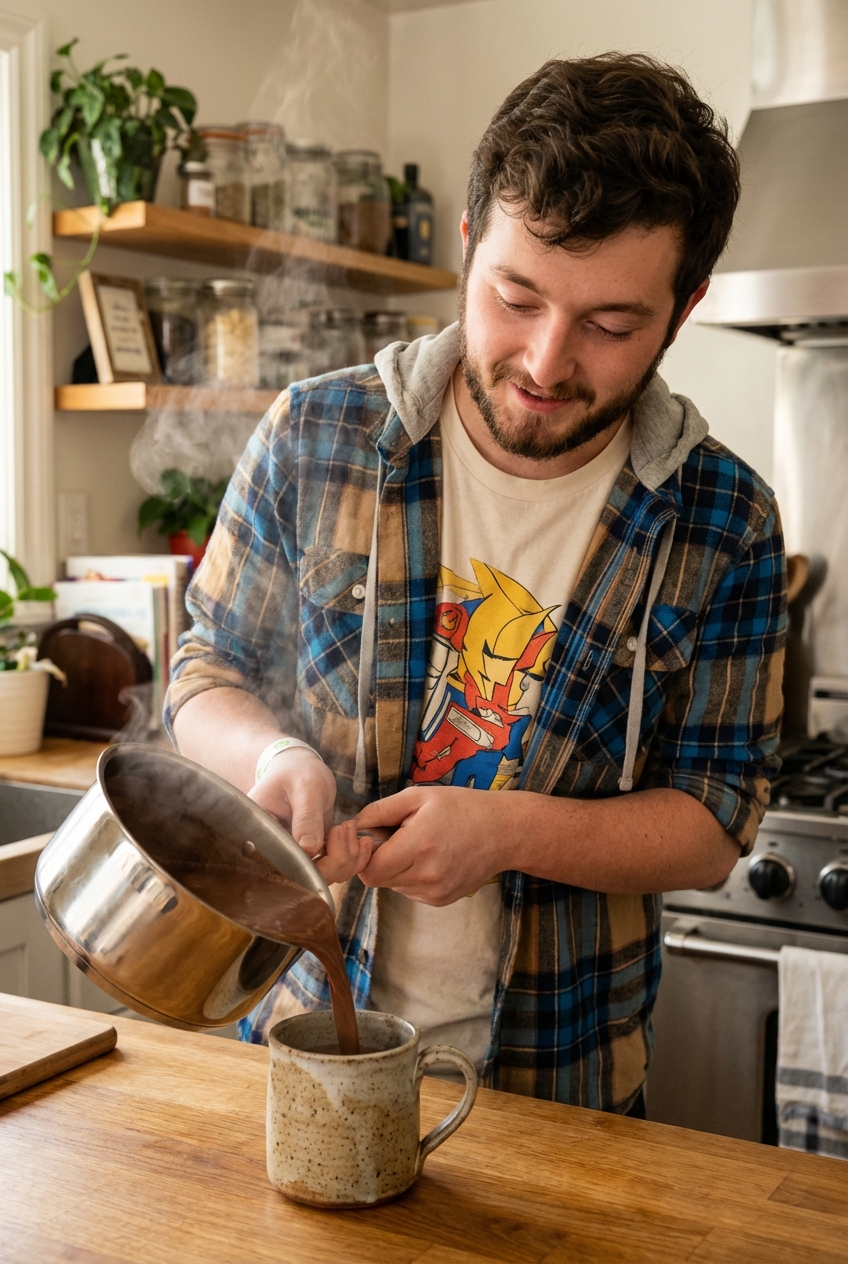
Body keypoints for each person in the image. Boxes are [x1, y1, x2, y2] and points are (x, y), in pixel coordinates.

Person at [167, 54, 786, 1115]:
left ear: (680, 310)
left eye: (609, 324)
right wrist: (269, 752)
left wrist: (506, 832)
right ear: (465, 246)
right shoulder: (317, 437)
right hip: (295, 1045)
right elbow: (203, 668)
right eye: (516, 297)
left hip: (567, 1087)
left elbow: (715, 816)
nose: (545, 363)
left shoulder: (722, 520)